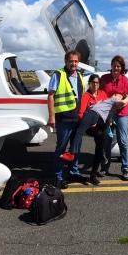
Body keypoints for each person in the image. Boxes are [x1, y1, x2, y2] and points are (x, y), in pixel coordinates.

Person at [61, 74, 128, 185]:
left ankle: (93, 175)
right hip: (89, 122)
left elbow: (111, 108)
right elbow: (80, 113)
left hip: (100, 123)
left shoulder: (103, 94)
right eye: (93, 82)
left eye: (97, 82)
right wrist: (89, 123)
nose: (95, 84)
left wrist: (126, 98)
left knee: (100, 147)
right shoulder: (86, 95)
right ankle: (71, 153)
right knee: (79, 130)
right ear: (89, 83)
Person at [47, 50, 86, 189]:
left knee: (76, 148)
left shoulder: (80, 76)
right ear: (66, 62)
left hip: (77, 119)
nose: (73, 64)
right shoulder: (58, 74)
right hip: (64, 119)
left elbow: (82, 98)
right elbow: (51, 96)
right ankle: (58, 176)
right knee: (61, 149)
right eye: (71, 61)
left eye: (76, 61)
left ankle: (73, 172)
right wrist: (51, 116)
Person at [100, 55, 128, 181]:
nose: (116, 68)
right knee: (106, 140)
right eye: (114, 66)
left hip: (122, 114)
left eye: (118, 66)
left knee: (123, 141)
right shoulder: (104, 78)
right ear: (111, 66)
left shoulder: (125, 80)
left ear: (121, 68)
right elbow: (100, 94)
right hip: (108, 114)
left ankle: (125, 168)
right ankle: (105, 166)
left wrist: (122, 102)